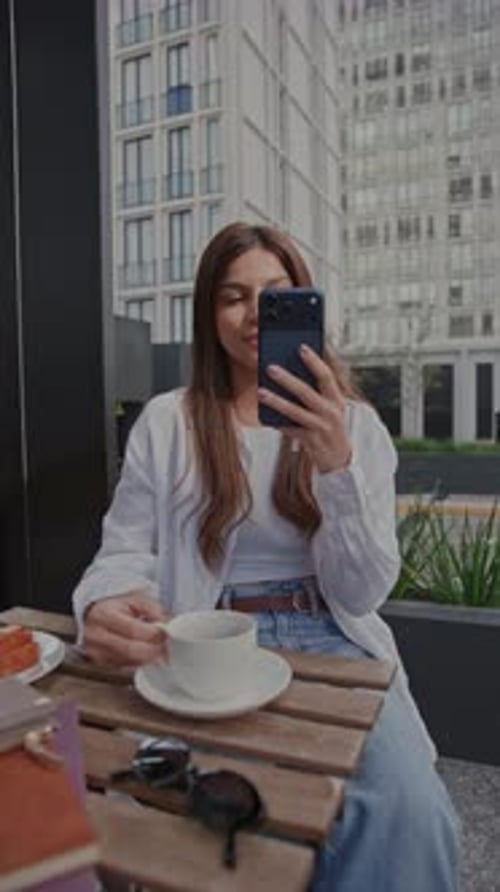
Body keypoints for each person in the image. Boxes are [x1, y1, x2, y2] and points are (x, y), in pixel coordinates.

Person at [73, 222, 461, 891]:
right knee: (225, 823)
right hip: (206, 636)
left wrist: (336, 466)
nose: (254, 314)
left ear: (304, 304)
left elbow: (364, 589)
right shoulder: (169, 421)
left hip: (331, 635)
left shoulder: (353, 425)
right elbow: (126, 550)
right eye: (233, 296)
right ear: (208, 314)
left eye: (275, 296)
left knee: (409, 812)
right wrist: (104, 602)